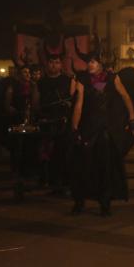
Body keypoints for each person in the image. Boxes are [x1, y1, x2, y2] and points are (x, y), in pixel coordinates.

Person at [70, 35, 134, 216]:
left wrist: (132, 119)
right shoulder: (83, 80)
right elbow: (79, 104)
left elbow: (126, 97)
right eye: (88, 62)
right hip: (89, 127)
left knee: (106, 166)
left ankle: (105, 201)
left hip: (108, 127)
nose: (90, 65)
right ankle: (80, 201)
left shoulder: (112, 78)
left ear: (100, 63)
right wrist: (74, 127)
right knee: (83, 165)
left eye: (93, 62)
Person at [37, 54, 83, 194]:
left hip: (63, 122)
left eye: (57, 62)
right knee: (47, 154)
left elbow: (73, 100)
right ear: (47, 64)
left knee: (64, 153)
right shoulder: (41, 82)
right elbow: (36, 103)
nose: (54, 65)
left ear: (61, 65)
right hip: (46, 121)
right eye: (51, 62)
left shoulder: (68, 80)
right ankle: (50, 182)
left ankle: (64, 184)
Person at [4, 66, 40, 200]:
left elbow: (36, 104)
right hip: (17, 121)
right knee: (18, 148)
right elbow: (7, 105)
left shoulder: (33, 86)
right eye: (25, 72)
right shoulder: (13, 87)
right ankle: (17, 175)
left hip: (29, 120)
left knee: (28, 148)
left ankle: (26, 174)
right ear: (19, 75)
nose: (28, 74)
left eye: (29, 72)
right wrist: (12, 110)